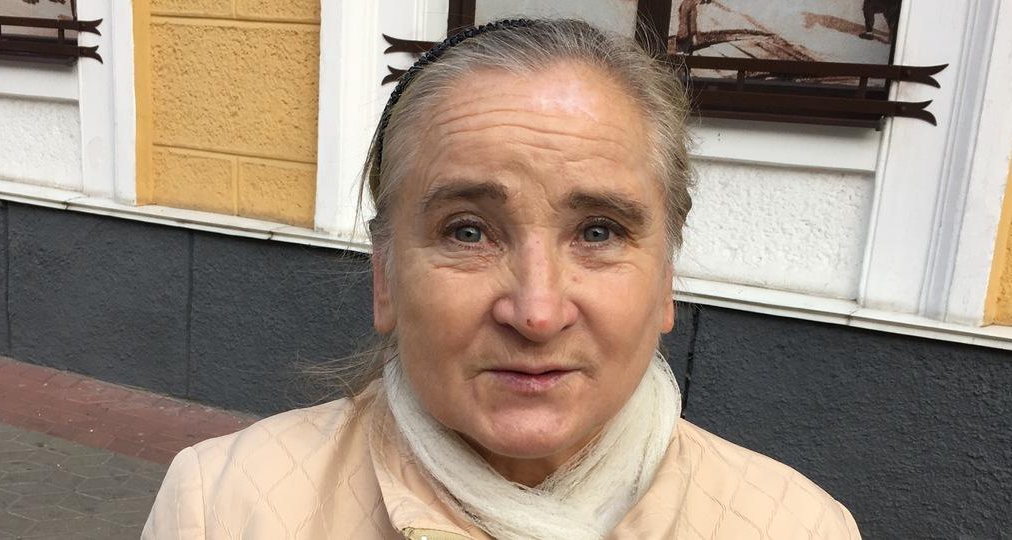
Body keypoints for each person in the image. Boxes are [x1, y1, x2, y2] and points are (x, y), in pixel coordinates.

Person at [142, 19, 861, 540]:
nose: (537, 312)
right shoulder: (225, 508)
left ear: (666, 280)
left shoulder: (795, 527)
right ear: (385, 278)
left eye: (599, 232)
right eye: (468, 232)